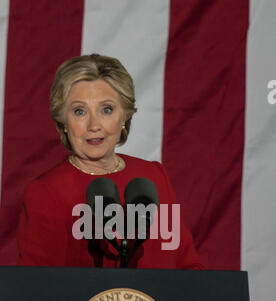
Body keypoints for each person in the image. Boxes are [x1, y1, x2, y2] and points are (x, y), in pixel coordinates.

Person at [17, 54, 203, 270]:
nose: (94, 125)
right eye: (79, 111)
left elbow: (189, 268)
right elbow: (36, 290)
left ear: (124, 116)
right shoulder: (45, 193)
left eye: (107, 109)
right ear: (63, 121)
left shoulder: (153, 177)